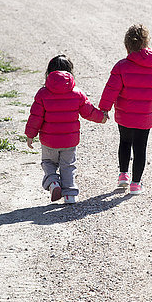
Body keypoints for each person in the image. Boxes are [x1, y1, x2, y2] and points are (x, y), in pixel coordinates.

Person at [25, 55, 107, 204]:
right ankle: (70, 195)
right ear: (70, 72)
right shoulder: (77, 93)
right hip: (69, 141)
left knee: (48, 163)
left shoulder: (43, 93)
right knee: (68, 166)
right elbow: (88, 111)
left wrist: (30, 135)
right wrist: (101, 117)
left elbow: (35, 117)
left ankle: (53, 183)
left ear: (49, 72)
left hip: (49, 141)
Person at [99, 24, 152, 194]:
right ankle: (136, 184)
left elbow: (111, 90)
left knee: (124, 142)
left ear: (127, 45)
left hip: (125, 115)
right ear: (146, 44)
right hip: (145, 117)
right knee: (140, 148)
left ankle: (123, 175)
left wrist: (104, 109)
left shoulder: (121, 66)